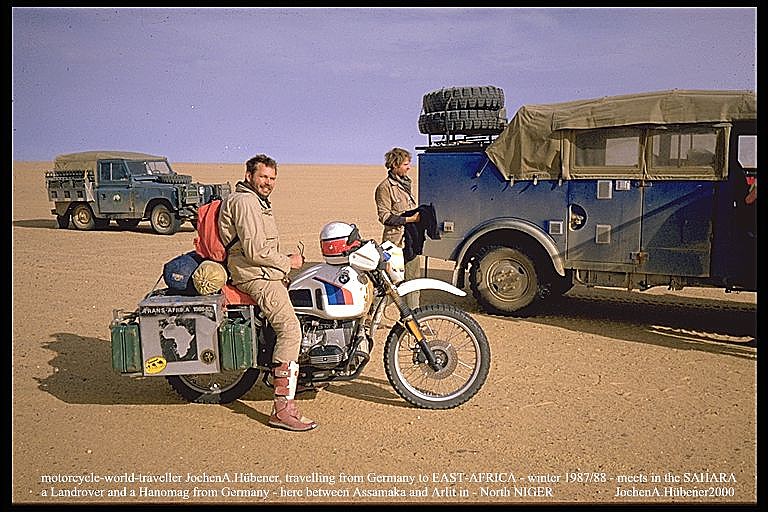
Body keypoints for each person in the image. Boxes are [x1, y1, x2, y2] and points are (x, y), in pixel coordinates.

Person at [218, 154, 317, 431]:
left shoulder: (257, 200)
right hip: (255, 275)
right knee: (290, 330)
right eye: (263, 176)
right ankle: (282, 410)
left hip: (263, 271)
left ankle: (296, 376)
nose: (268, 182)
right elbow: (255, 251)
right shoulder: (246, 202)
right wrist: (288, 262)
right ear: (249, 175)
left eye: (272, 178)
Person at [375, 147, 421, 309]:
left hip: (411, 242)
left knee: (414, 282)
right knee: (390, 284)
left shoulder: (406, 184)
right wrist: (411, 219)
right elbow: (385, 217)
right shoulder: (384, 188)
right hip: (394, 244)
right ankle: (371, 316)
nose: (409, 167)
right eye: (406, 164)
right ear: (395, 165)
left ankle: (415, 317)